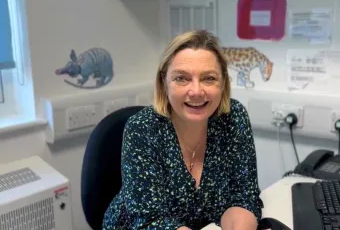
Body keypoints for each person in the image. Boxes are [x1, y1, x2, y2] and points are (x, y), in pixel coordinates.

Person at [102, 30, 264, 230]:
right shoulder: (142, 129)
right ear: (164, 84)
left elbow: (243, 197)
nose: (196, 91)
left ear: (223, 84)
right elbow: (149, 222)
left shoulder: (234, 117)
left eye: (209, 78)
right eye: (181, 78)